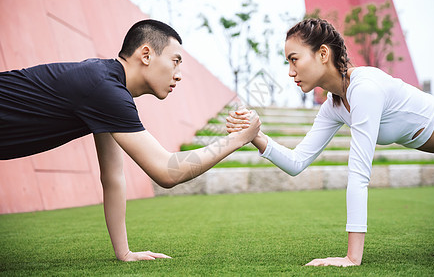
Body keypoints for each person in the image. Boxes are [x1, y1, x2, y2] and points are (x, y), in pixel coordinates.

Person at [0, 19, 260, 261]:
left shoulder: (105, 86)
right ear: (146, 55)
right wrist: (236, 140)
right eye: (175, 61)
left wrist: (124, 252)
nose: (179, 74)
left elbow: (113, 177)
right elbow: (167, 171)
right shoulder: (105, 89)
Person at [226, 18, 434, 267]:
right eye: (287, 62)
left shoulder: (364, 88)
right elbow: (296, 162)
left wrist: (352, 258)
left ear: (323, 53)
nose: (290, 71)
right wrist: (254, 135)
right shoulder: (334, 105)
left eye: (294, 59)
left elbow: (359, 174)